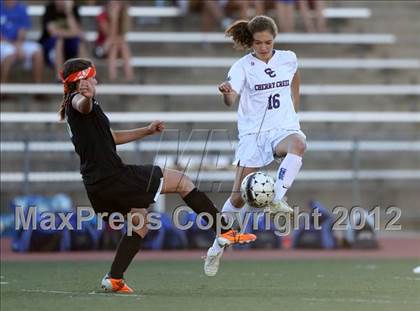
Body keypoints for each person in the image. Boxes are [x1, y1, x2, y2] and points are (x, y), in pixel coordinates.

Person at [59, 58, 256, 293]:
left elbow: (110, 137)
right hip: (114, 177)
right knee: (182, 182)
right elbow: (84, 104)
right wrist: (88, 96)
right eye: (92, 77)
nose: (96, 80)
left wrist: (147, 130)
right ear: (82, 80)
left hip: (96, 185)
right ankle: (223, 230)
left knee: (139, 224)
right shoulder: (78, 102)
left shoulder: (77, 108)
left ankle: (114, 278)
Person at [204, 15, 306, 276]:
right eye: (259, 43)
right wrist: (227, 92)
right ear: (251, 42)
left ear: (275, 39)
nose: (264, 47)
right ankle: (217, 247)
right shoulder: (242, 67)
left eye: (268, 42)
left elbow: (294, 79)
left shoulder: (288, 58)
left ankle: (277, 200)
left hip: (282, 129)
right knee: (238, 198)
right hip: (253, 135)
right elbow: (232, 100)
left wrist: (293, 110)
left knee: (299, 143)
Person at [0, 0, 44, 85]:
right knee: (10, 53)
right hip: (2, 43)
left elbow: (22, 30)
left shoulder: (21, 8)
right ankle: (3, 90)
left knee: (38, 51)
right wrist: (15, 45)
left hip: (18, 42)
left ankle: (39, 89)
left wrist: (18, 45)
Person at [39, 0, 83, 77]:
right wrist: (71, 33)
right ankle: (59, 76)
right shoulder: (50, 9)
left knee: (80, 43)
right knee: (59, 40)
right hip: (51, 45)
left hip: (70, 44)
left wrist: (68, 12)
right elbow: (53, 32)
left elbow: (77, 32)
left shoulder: (73, 9)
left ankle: (86, 74)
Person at [95, 0, 134, 82]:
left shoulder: (123, 16)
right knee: (115, 46)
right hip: (102, 48)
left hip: (116, 47)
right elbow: (110, 36)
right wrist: (114, 19)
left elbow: (122, 37)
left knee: (122, 46)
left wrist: (118, 17)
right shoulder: (101, 16)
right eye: (113, 4)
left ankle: (129, 78)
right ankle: (114, 78)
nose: (115, 6)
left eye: (117, 4)